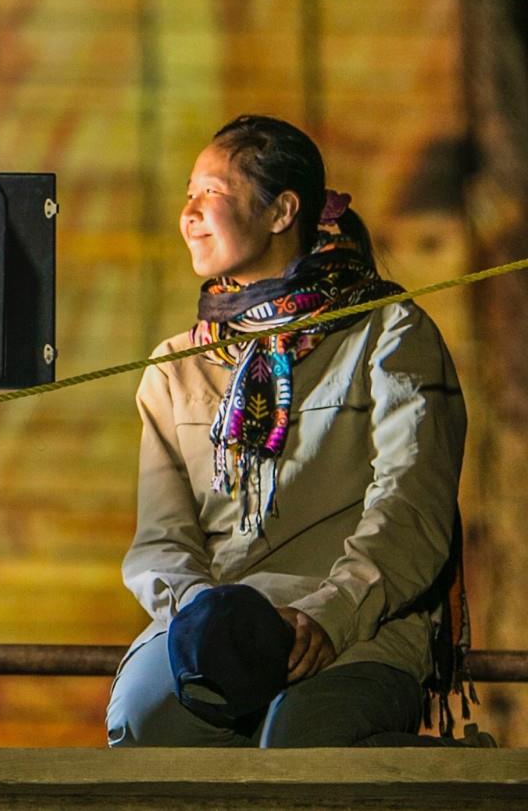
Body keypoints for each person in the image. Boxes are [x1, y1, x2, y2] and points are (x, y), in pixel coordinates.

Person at [106, 115, 467, 748]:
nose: (189, 213)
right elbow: (162, 540)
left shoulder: (388, 334)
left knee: (297, 741)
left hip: (358, 627)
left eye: (211, 192)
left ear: (282, 211)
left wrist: (330, 615)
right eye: (187, 194)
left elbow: (411, 509)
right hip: (218, 630)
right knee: (145, 722)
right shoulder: (175, 367)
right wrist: (211, 622)